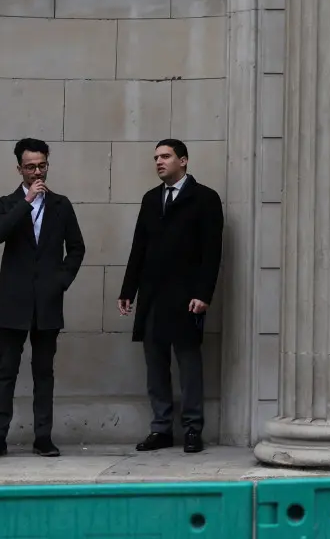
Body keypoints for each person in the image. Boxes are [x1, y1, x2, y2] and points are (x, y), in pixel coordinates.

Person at [0, 138, 86, 459]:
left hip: (47, 304)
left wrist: (60, 282)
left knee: (44, 373)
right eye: (30, 166)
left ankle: (43, 437)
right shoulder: (6, 202)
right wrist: (26, 202)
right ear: (19, 169)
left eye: (42, 165)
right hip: (12, 304)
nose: (37, 171)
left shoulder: (61, 205)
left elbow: (77, 248)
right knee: (6, 372)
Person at [118, 139, 224, 454]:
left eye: (165, 156)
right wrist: (128, 289)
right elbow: (139, 247)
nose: (159, 162)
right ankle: (161, 428)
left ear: (184, 160)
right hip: (152, 295)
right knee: (155, 364)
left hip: (186, 296)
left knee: (189, 364)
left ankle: (193, 429)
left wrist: (203, 293)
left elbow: (212, 252)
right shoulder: (151, 199)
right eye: (156, 158)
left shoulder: (205, 198)